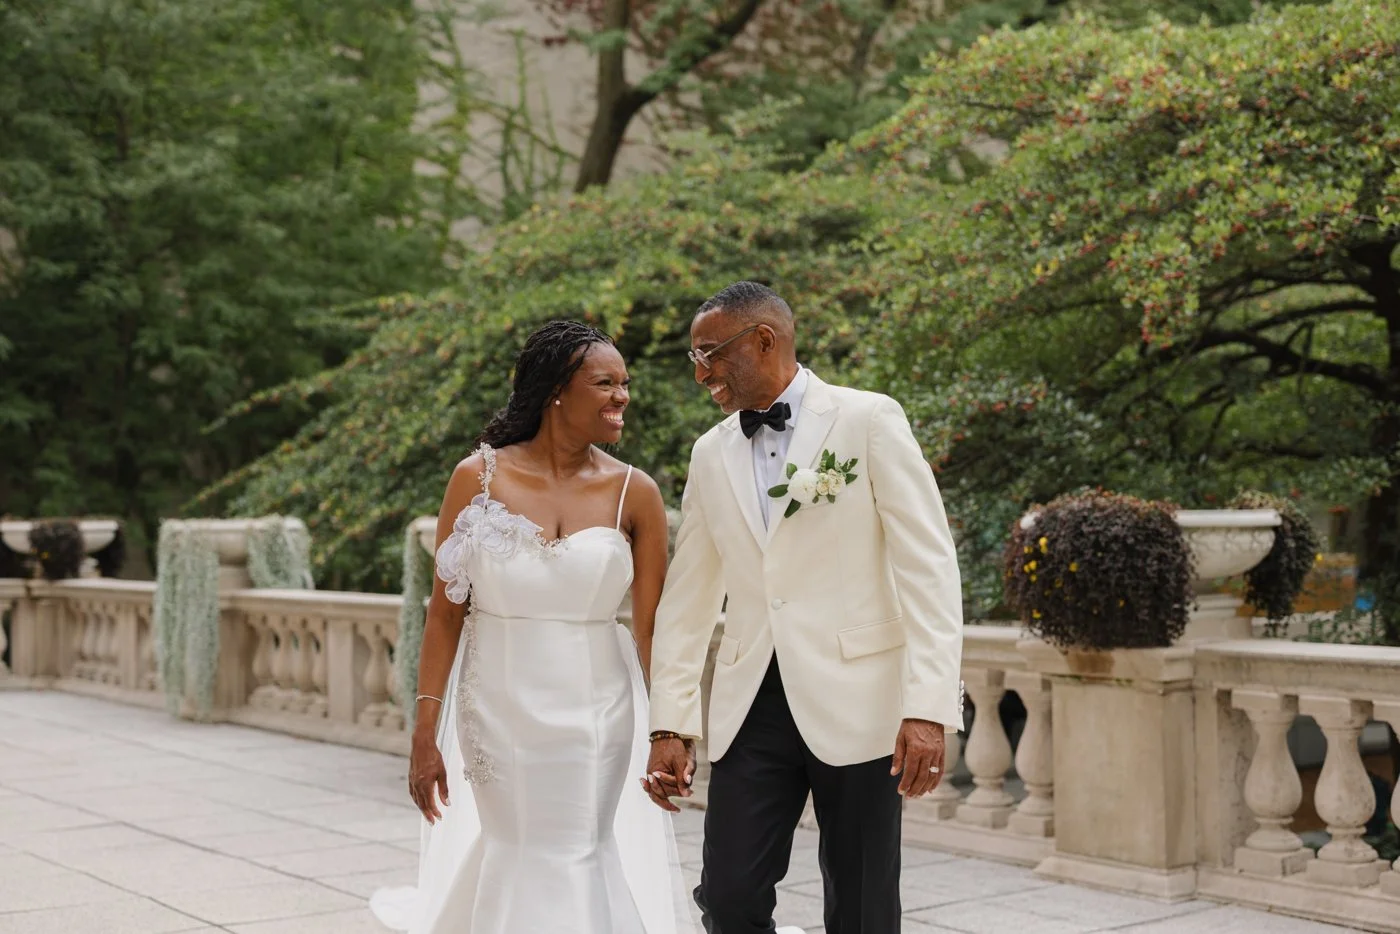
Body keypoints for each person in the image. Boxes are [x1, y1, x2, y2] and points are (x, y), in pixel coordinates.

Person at [644, 281, 966, 934]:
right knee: (728, 898)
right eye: (694, 357)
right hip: (750, 704)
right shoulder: (710, 453)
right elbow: (688, 597)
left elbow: (928, 568)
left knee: (863, 906)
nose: (701, 372)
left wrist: (928, 706)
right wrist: (669, 724)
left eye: (710, 353)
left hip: (862, 698)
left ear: (764, 340)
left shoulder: (868, 420)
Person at [370, 320, 695, 934]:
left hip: (598, 707)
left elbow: (653, 629)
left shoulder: (637, 493)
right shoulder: (475, 478)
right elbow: (445, 613)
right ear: (556, 391)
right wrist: (424, 732)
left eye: (625, 383)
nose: (622, 396)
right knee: (517, 843)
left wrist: (670, 729)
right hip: (497, 707)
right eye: (605, 383)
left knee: (579, 845)